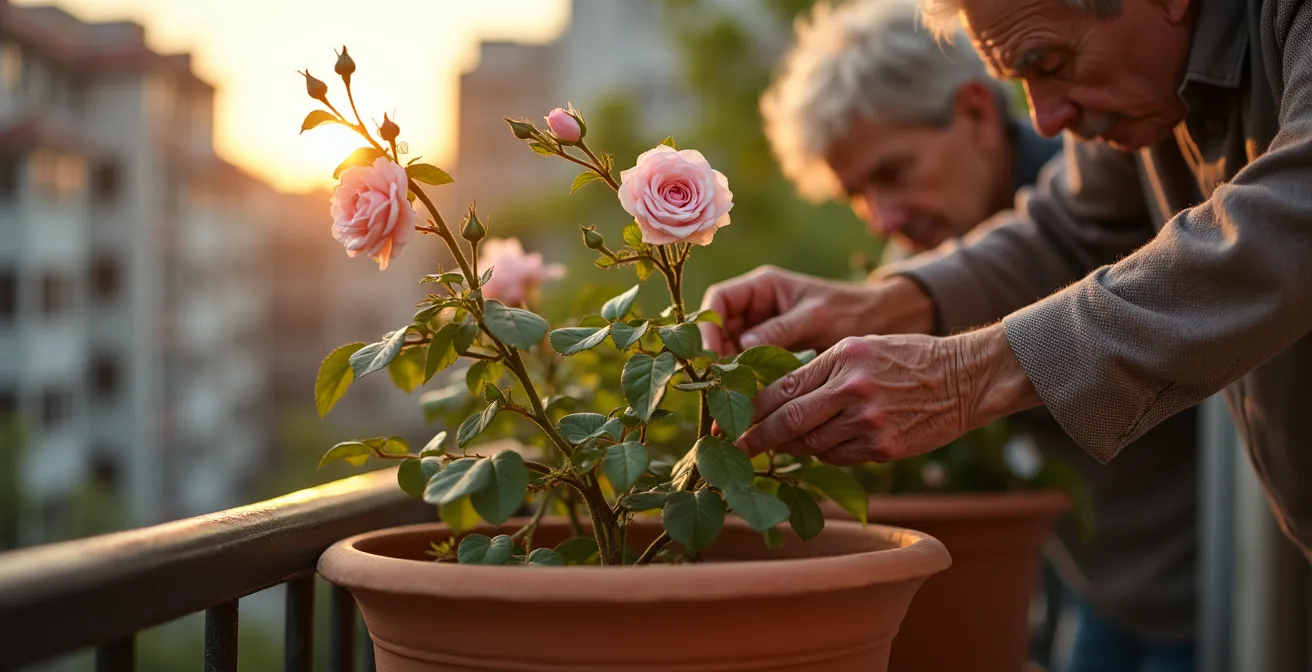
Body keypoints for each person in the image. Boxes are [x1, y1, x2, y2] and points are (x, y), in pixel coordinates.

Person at [701, 0, 1312, 590]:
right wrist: (877, 303)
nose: (1044, 120)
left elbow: (1289, 220)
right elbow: (1072, 228)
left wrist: (967, 374)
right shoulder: (1139, 92)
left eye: (1048, 64)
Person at [753, 2, 1198, 670]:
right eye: (857, 197)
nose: (882, 220)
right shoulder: (941, 258)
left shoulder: (1122, 144)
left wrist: (961, 374)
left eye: (892, 173)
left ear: (977, 112)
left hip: (1221, 590)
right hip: (1100, 597)